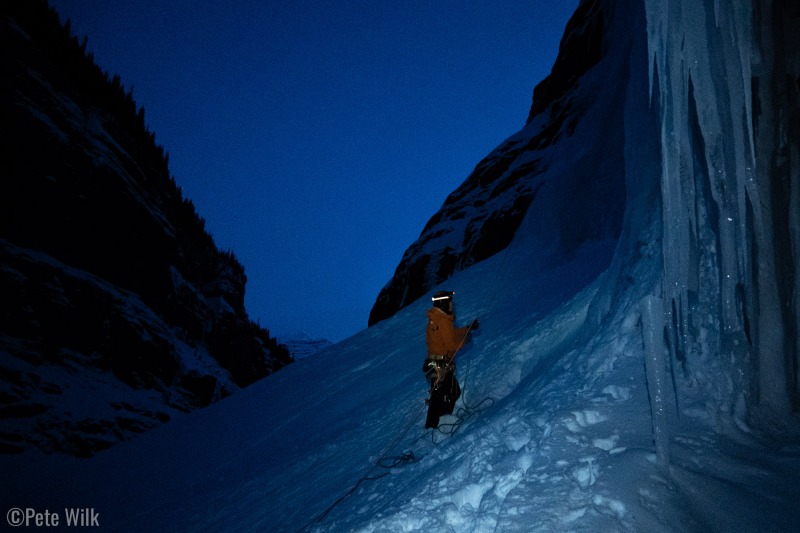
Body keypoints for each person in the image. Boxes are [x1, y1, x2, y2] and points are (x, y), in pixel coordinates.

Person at [422, 290, 479, 429]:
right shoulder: (443, 320)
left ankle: (436, 425)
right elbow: (451, 344)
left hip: (435, 363)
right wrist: (466, 339)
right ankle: (438, 425)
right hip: (440, 364)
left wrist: (467, 328)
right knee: (447, 394)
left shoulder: (436, 318)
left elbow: (450, 335)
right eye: (450, 302)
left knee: (442, 394)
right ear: (444, 304)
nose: (452, 305)